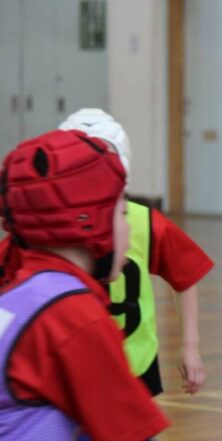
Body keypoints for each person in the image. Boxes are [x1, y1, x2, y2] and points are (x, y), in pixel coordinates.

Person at [0, 130, 169, 440]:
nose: (129, 229)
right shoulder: (73, 316)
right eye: (122, 213)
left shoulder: (15, 294)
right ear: (88, 219)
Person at [58, 108, 215, 396]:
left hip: (132, 365)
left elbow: (186, 276)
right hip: (81, 366)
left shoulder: (145, 222)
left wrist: (190, 347)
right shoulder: (144, 220)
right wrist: (189, 346)